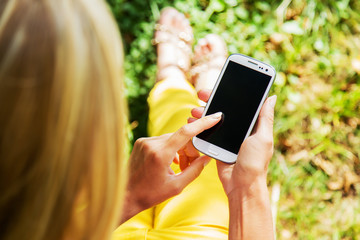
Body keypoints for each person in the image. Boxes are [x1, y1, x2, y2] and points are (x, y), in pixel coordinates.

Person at [0, 1, 275, 240]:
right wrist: (246, 189)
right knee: (202, 166)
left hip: (101, 226)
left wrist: (131, 196)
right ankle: (178, 80)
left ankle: (174, 78)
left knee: (185, 134)